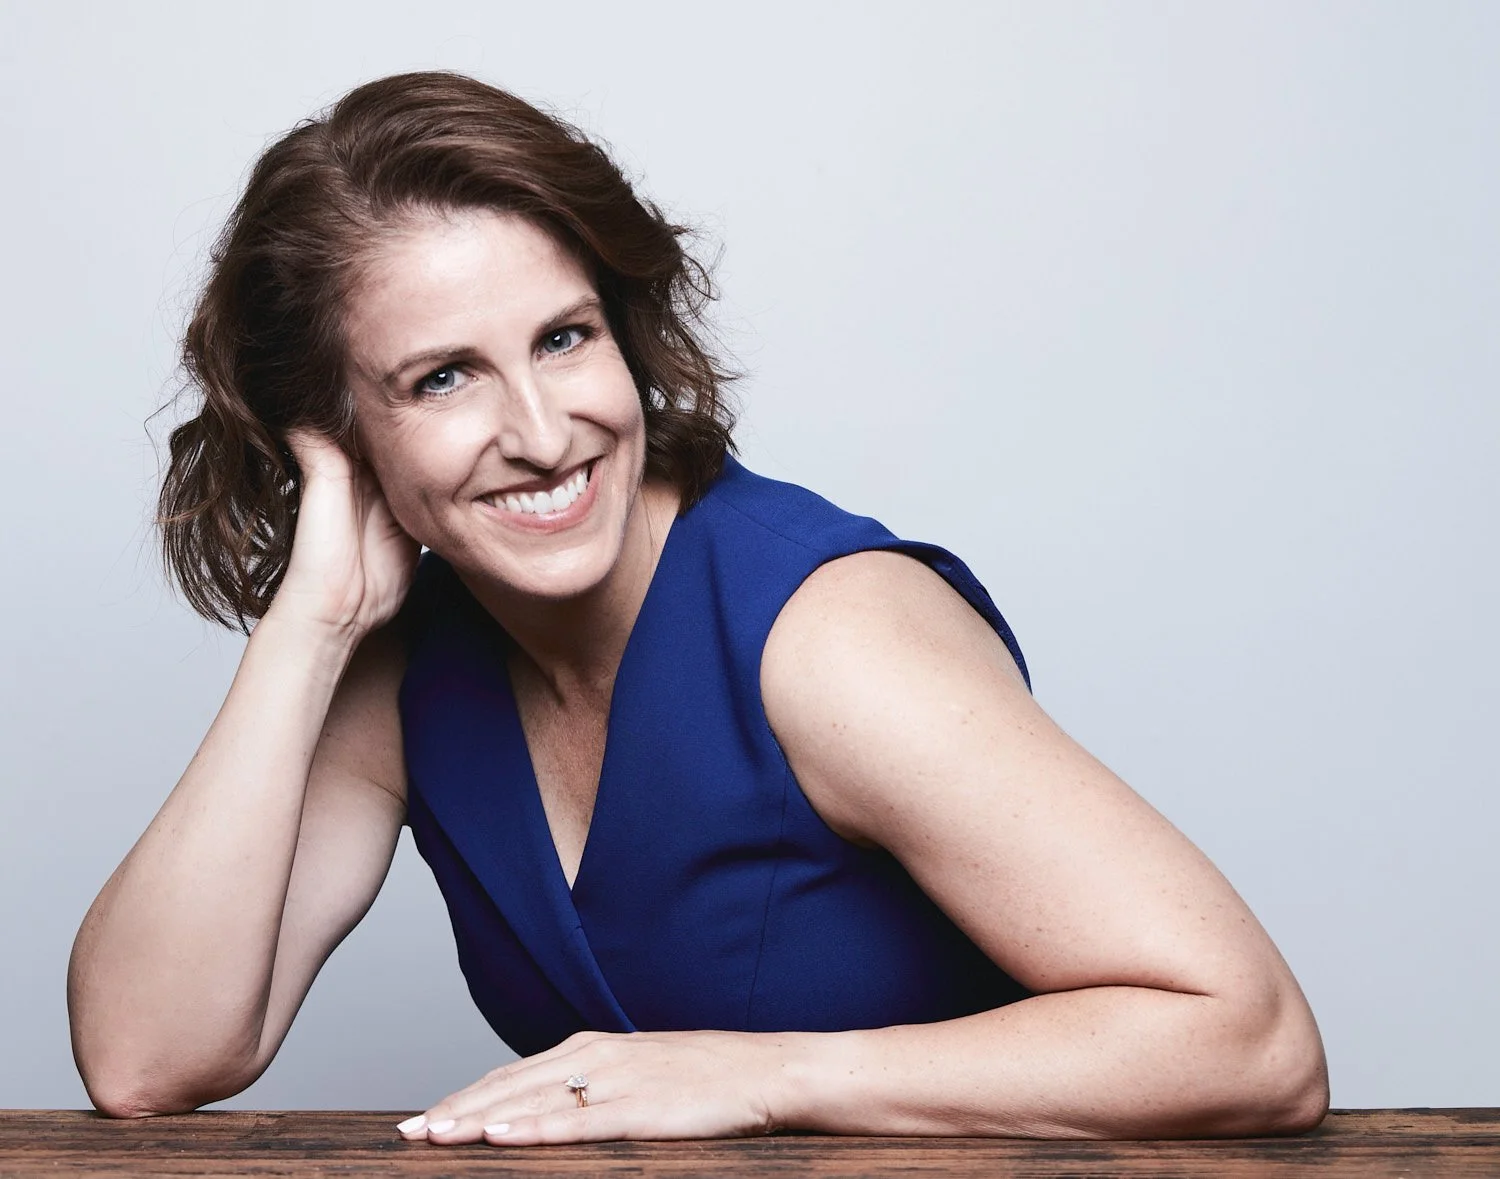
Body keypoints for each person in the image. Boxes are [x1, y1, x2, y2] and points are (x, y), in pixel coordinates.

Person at [67, 71, 1328, 1145]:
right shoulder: (415, 661)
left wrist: (767, 1075)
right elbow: (148, 1058)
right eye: (444, 376)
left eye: (564, 339)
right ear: (335, 438)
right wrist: (312, 627)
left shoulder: (825, 633)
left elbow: (1254, 1041)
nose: (543, 433)